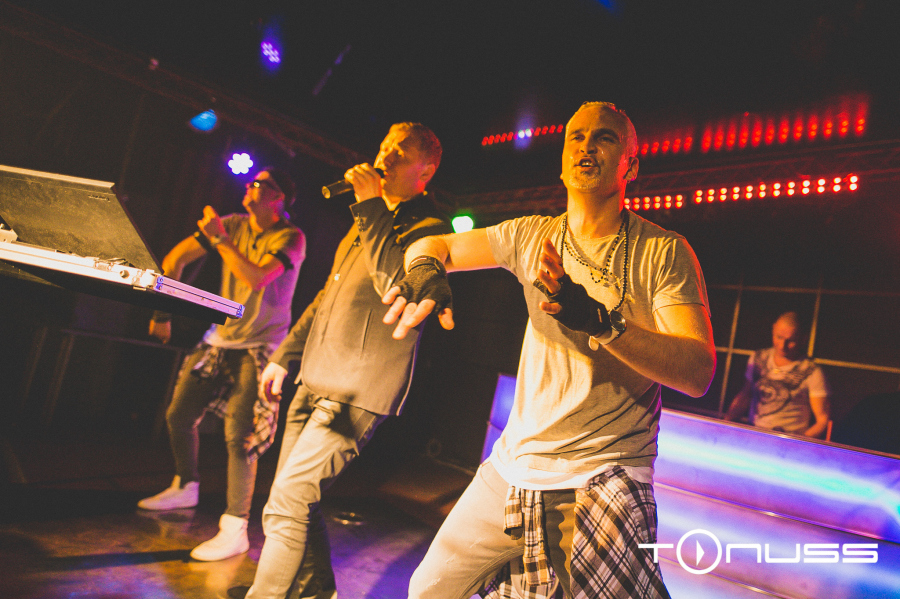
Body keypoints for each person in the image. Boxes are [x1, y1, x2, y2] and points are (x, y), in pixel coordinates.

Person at [383, 102, 716, 599]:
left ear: (631, 165)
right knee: (427, 589)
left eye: (604, 137)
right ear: (562, 162)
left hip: (605, 469)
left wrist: (602, 322)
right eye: (576, 137)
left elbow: (697, 371)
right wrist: (425, 269)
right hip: (514, 465)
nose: (586, 146)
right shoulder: (530, 235)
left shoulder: (663, 251)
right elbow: (436, 244)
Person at [229, 122, 452, 599]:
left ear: (426, 170)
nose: (386, 156)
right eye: (384, 146)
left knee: (290, 499)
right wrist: (285, 355)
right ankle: (316, 591)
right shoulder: (366, 218)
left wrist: (371, 207)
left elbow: (394, 283)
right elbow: (327, 298)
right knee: (293, 501)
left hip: (357, 387)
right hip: (315, 377)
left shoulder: (429, 227)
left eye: (400, 151)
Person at [137, 167, 306, 563]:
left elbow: (257, 278)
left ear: (279, 197)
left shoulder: (291, 237)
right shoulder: (231, 224)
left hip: (261, 346)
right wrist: (163, 312)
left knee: (239, 436)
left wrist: (221, 241)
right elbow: (175, 259)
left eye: (260, 184)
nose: (250, 187)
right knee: (179, 414)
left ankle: (235, 528)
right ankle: (186, 485)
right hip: (220, 338)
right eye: (250, 182)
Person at [725, 311, 830, 438]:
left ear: (803, 338)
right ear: (773, 329)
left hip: (788, 442)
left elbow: (822, 420)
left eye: (791, 341)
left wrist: (796, 444)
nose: (782, 346)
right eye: (779, 337)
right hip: (754, 437)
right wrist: (725, 424)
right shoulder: (758, 358)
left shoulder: (811, 370)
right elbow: (745, 395)